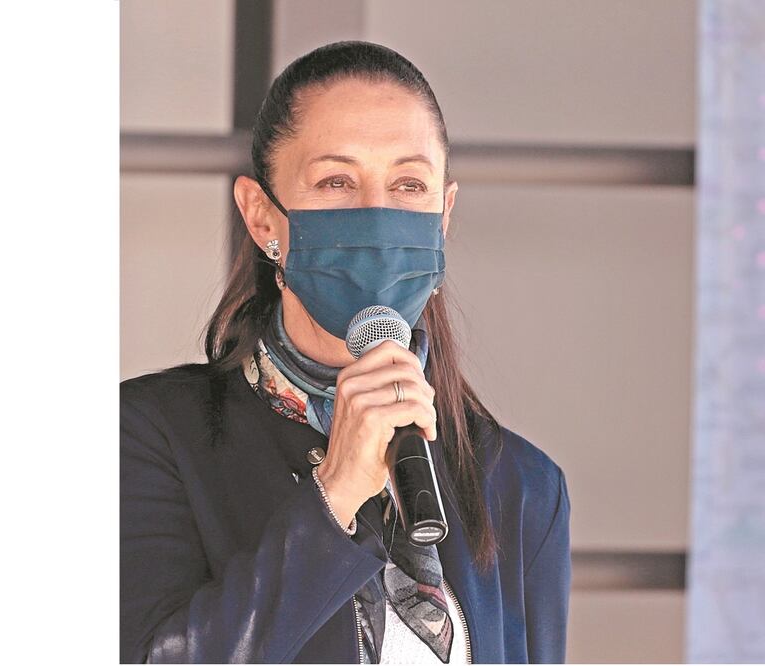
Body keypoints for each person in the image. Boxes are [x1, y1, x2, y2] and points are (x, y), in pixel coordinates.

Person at [120, 40, 571, 664]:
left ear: (444, 216)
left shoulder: (522, 486)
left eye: (408, 184)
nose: (377, 216)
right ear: (261, 217)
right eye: (336, 181)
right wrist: (332, 497)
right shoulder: (148, 435)